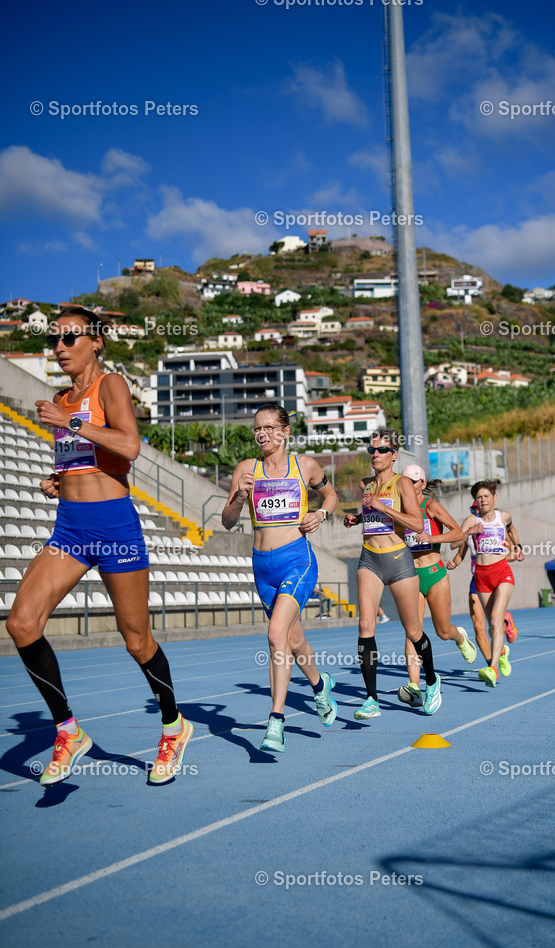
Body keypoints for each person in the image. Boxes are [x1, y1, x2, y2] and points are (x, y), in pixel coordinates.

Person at [6, 307, 192, 786]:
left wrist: (70, 421)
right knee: (21, 623)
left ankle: (173, 726)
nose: (60, 347)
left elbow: (129, 446)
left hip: (114, 529)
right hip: (70, 529)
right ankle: (68, 731)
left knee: (137, 641)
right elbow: (86, 459)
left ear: (96, 341)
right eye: (55, 339)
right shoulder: (59, 400)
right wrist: (58, 478)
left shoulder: (109, 386)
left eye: (70, 337)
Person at [222, 405, 338, 753]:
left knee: (275, 636)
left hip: (296, 561)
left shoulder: (305, 466)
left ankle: (276, 721)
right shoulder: (246, 469)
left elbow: (331, 496)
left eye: (270, 427)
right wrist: (240, 496)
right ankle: (320, 687)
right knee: (294, 640)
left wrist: (320, 514)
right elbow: (228, 520)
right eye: (257, 428)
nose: (262, 434)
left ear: (286, 432)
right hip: (263, 567)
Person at [343, 429, 441, 719]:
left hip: (398, 560)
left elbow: (417, 524)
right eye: (372, 450)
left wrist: (382, 506)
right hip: (369, 559)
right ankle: (371, 699)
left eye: (382, 450)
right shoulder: (367, 485)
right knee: (365, 627)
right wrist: (357, 518)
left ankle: (432, 681)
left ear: (394, 455)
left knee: (413, 631)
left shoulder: (403, 484)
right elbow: (372, 514)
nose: (375, 454)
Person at [397, 465, 475, 707]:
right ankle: (414, 686)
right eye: (405, 481)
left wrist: (433, 538)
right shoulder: (400, 508)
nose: (408, 485)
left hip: (434, 575)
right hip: (410, 575)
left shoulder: (430, 506)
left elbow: (458, 534)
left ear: (422, 484)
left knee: (442, 632)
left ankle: (459, 637)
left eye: (413, 481)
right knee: (412, 632)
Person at [458, 481, 524, 688]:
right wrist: (469, 532)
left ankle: (492, 669)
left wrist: (518, 547)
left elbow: (511, 530)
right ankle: (502, 647)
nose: (483, 500)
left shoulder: (503, 517)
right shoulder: (472, 520)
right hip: (481, 576)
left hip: (502, 572)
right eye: (479, 497)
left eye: (486, 496)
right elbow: (455, 543)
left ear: (494, 498)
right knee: (492, 626)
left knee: (495, 621)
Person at [450, 501, 519, 666]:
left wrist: (498, 558)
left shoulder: (497, 529)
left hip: (496, 575)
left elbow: (514, 552)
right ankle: (491, 666)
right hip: (477, 579)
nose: (476, 513)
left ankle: (506, 623)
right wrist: (454, 563)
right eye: (472, 510)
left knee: (493, 626)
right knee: (478, 624)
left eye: (477, 510)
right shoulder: (469, 532)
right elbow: (459, 554)